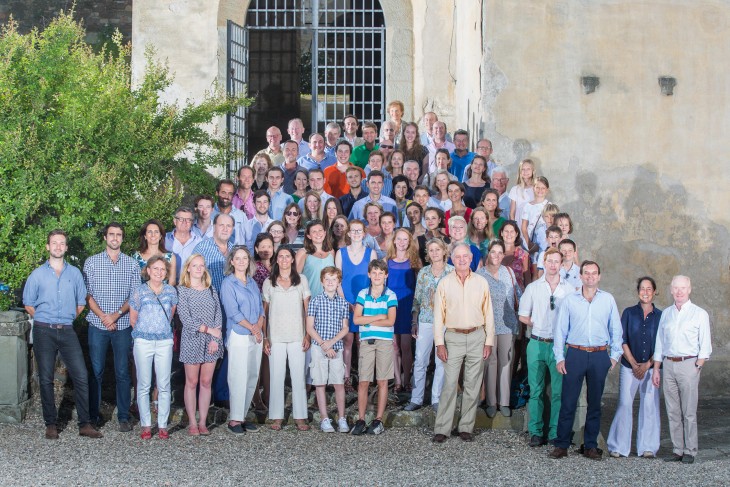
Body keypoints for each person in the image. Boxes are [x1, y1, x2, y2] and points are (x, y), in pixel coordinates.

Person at [23, 229, 103, 440]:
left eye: (62, 243)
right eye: (54, 243)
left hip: (67, 330)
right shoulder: (37, 274)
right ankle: (51, 424)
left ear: (66, 247)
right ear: (48, 247)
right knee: (46, 378)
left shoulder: (75, 273)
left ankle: (85, 424)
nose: (58, 247)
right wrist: (44, 317)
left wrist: (65, 319)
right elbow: (28, 303)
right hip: (43, 330)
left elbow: (80, 303)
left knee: (81, 375)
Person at [549, 261, 623, 461]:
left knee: (595, 403)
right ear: (580, 276)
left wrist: (614, 357)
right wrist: (560, 357)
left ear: (599, 276)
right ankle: (562, 444)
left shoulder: (607, 300)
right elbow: (560, 331)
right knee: (568, 401)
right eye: (586, 273)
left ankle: (590, 445)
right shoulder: (570, 300)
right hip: (575, 354)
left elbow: (616, 329)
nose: (590, 277)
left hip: (599, 355)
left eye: (594, 273)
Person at [432, 243, 494, 443]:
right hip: (453, 337)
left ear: (470, 258)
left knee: (473, 384)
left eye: (465, 256)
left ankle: (466, 426)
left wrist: (489, 341)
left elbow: (489, 313)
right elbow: (438, 317)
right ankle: (442, 428)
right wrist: (439, 343)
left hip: (477, 336)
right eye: (457, 257)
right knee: (450, 383)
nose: (461, 260)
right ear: (452, 259)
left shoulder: (481, 282)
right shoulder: (444, 283)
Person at [83, 222, 140, 432]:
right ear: (105, 238)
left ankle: (124, 416)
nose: (115, 238)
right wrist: (103, 317)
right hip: (97, 324)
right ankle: (93, 415)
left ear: (122, 238)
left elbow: (134, 296)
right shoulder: (91, 262)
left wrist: (115, 315)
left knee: (123, 372)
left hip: (123, 324)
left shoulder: (132, 264)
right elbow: (87, 294)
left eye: (119, 235)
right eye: (111, 234)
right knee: (96, 371)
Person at [652, 275, 712, 464]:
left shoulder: (699, 313)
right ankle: (677, 449)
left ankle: (690, 450)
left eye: (683, 288)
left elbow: (705, 344)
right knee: (672, 410)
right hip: (668, 364)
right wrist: (656, 368)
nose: (679, 291)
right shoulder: (667, 314)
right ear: (671, 290)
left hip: (689, 364)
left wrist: (698, 366)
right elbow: (660, 342)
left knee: (689, 411)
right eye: (676, 288)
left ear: (689, 289)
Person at [518, 247, 574, 447]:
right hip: (537, 342)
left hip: (559, 346)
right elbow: (523, 315)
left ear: (561, 264)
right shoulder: (533, 287)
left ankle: (554, 432)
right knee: (536, 390)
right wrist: (536, 322)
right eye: (549, 261)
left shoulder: (569, 289)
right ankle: (535, 431)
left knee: (558, 391)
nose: (552, 265)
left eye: (556, 261)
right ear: (544, 262)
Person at [607, 277, 662, 458]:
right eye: (642, 289)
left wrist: (647, 365)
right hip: (629, 366)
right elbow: (622, 340)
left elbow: (663, 344)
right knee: (624, 404)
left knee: (649, 405)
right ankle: (618, 446)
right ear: (637, 291)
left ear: (654, 292)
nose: (645, 292)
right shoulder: (629, 313)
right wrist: (633, 363)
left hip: (651, 367)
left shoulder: (661, 316)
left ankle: (648, 447)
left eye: (649, 289)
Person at [262, 247, 311, 431]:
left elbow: (307, 308)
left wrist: (307, 333)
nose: (284, 259)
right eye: (280, 256)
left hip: (297, 335)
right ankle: (276, 416)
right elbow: (264, 312)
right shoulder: (269, 282)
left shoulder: (301, 280)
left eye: (287, 256)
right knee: (276, 376)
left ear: (292, 259)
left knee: (298, 376)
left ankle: (300, 417)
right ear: (277, 260)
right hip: (275, 336)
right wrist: (265, 337)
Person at [129, 255, 178, 439]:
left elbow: (171, 315)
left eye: (162, 269)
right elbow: (133, 319)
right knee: (143, 383)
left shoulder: (171, 291)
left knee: (164, 383)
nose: (159, 272)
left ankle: (163, 424)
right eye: (155, 269)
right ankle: (146, 425)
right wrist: (145, 332)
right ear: (148, 270)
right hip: (143, 340)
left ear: (166, 272)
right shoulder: (139, 291)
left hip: (164, 340)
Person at [404, 239, 454, 412]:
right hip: (425, 319)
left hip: (446, 321)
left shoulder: (452, 272)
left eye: (437, 249)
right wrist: (414, 321)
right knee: (420, 360)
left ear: (443, 251)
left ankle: (436, 398)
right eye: (431, 250)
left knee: (442, 360)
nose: (434, 253)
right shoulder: (424, 273)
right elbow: (417, 298)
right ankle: (416, 398)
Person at [220, 246, 265, 435]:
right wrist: (253, 327)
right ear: (231, 261)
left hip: (255, 335)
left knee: (252, 375)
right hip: (239, 333)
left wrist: (259, 327)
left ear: (249, 261)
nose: (241, 261)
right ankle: (234, 419)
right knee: (238, 376)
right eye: (237, 258)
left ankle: (244, 415)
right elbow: (233, 312)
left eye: (244, 258)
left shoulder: (252, 283)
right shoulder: (228, 284)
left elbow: (261, 309)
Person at [177, 254, 224, 436]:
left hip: (211, 342)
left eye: (201, 265)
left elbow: (218, 317)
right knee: (192, 382)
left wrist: (214, 338)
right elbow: (186, 320)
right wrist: (208, 330)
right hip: (192, 339)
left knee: (206, 382)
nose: (198, 268)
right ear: (188, 268)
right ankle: (192, 423)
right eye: (194, 265)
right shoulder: (182, 291)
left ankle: (203, 422)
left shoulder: (211, 290)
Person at [351, 260, 398, 436]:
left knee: (382, 380)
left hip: (384, 341)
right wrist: (379, 315)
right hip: (367, 341)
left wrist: (367, 319)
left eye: (381, 273)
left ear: (386, 275)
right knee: (363, 380)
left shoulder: (390, 295)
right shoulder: (363, 294)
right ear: (369, 275)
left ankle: (378, 419)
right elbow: (356, 319)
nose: (377, 276)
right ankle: (361, 418)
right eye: (374, 273)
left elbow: (391, 321)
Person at [476, 240, 520, 418]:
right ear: (488, 254)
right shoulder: (480, 275)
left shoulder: (508, 272)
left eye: (499, 252)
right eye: (493, 252)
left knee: (506, 362)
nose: (496, 255)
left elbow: (518, 293)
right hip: (488, 325)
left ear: (503, 255)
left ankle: (505, 402)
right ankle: (491, 402)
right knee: (491, 362)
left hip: (508, 323)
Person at [306, 266, 351, 433]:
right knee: (320, 383)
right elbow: (310, 327)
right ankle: (325, 418)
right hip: (319, 348)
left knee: (338, 383)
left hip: (336, 348)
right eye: (327, 279)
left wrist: (331, 343)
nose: (330, 282)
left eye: (334, 279)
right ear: (322, 282)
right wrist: (324, 344)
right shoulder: (316, 301)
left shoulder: (343, 303)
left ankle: (341, 418)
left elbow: (345, 328)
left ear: (339, 282)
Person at [335, 219, 376, 392]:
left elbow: (375, 279)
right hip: (346, 301)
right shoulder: (341, 252)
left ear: (364, 233)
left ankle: (363, 376)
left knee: (362, 341)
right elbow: (337, 280)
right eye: (353, 231)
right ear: (349, 233)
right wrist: (346, 302)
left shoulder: (371, 253)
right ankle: (346, 378)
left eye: (359, 230)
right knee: (348, 340)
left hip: (364, 302)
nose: (356, 233)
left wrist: (365, 303)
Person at [386, 228, 422, 393]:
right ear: (394, 241)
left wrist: (416, 312)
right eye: (398, 239)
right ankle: (398, 381)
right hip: (391, 307)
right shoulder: (387, 261)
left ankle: (407, 379)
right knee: (394, 346)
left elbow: (419, 288)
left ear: (409, 242)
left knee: (406, 346)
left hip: (407, 306)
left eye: (405, 239)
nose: (401, 242)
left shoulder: (414, 262)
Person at [193, 214, 234, 293]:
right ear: (214, 227)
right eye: (221, 225)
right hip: (209, 300)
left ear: (232, 229)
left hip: (231, 301)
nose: (225, 229)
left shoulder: (235, 250)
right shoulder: (201, 248)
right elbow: (192, 277)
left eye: (228, 226)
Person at [132, 219, 177, 285]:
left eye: (156, 232)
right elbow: (133, 283)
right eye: (149, 232)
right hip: (141, 294)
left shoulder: (170, 257)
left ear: (160, 236)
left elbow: (172, 283)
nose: (153, 235)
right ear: (145, 236)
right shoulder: (136, 257)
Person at [165, 206, 201, 278]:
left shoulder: (199, 241)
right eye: (181, 219)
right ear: (175, 221)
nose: (184, 222)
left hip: (190, 285)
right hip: (168, 285)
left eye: (188, 220)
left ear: (192, 222)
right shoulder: (164, 239)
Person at [212, 179, 248, 246]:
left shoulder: (241, 216)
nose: (226, 196)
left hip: (236, 254)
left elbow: (248, 240)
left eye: (230, 194)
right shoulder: (209, 214)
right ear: (217, 193)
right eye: (223, 192)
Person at [521, 176, 550, 255]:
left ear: (547, 190)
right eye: (538, 187)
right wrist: (528, 243)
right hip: (530, 241)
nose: (540, 190)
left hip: (544, 241)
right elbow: (524, 227)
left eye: (543, 188)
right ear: (533, 188)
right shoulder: (528, 206)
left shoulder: (550, 206)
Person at [500, 220, 530, 288]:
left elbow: (527, 279)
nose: (509, 234)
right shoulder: (496, 253)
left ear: (516, 234)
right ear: (501, 233)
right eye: (506, 231)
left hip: (518, 295)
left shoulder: (523, 254)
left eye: (512, 231)